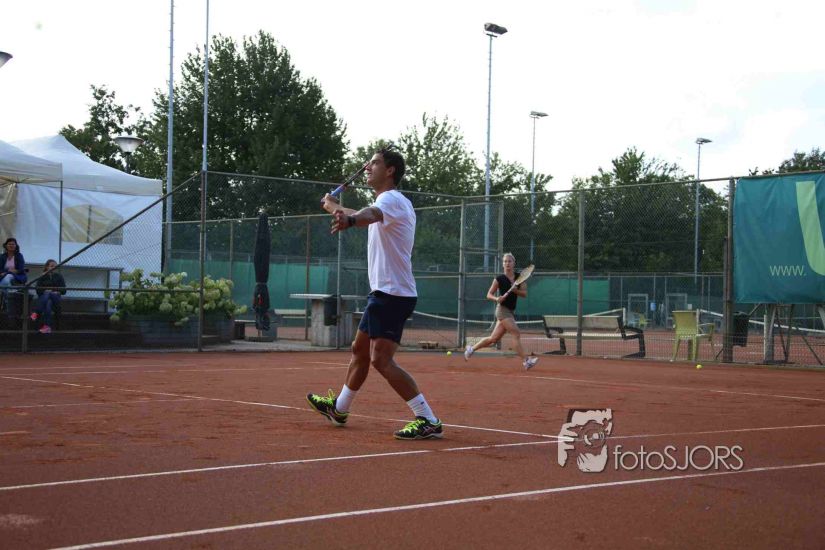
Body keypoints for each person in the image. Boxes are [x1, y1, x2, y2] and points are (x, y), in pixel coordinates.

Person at [306, 148, 443, 440]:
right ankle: (339, 408)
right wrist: (334, 207)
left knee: (381, 359)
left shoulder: (391, 199)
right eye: (368, 163)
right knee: (360, 350)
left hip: (393, 294)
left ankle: (427, 418)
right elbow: (363, 215)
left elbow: (367, 215)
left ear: (390, 171)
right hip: (385, 293)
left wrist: (348, 219)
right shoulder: (389, 203)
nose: (368, 167)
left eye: (375, 163)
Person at [464, 253, 538, 370]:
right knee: (516, 334)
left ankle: (471, 349)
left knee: (493, 339)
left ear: (513, 263)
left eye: (509, 261)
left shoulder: (519, 277)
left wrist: (515, 290)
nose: (507, 263)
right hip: (502, 311)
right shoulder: (499, 279)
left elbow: (524, 294)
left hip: (510, 311)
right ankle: (526, 361)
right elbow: (489, 294)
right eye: (505, 261)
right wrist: (496, 298)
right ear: (502, 264)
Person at [30, 259, 66, 334]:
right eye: (51, 266)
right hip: (45, 298)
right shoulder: (42, 276)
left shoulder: (59, 276)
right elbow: (38, 290)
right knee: (48, 303)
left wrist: (57, 292)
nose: (53, 268)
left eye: (55, 266)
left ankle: (36, 312)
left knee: (49, 293)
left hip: (55, 298)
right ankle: (47, 327)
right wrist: (46, 291)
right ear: (47, 267)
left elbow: (64, 290)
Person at [0, 237, 26, 311]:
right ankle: (9, 297)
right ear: (6, 246)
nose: (11, 245)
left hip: (17, 276)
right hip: (3, 276)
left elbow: (20, 269)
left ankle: (7, 298)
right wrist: (10, 270)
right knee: (7, 279)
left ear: (16, 246)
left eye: (13, 244)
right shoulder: (2, 256)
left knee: (8, 276)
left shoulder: (19, 256)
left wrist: (7, 272)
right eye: (9, 244)